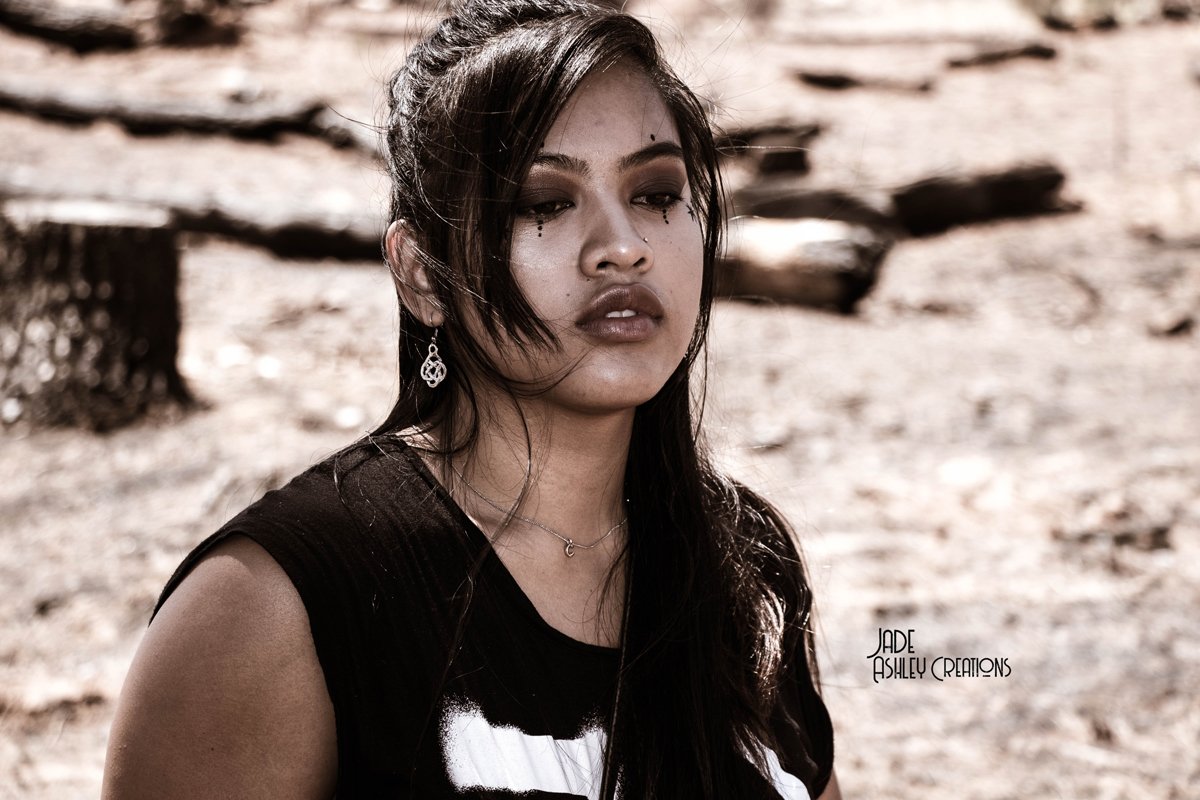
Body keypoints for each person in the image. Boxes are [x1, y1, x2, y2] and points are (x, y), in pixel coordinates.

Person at [101, 0, 840, 797]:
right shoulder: (276, 607)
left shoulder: (739, 562)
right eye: (543, 204)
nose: (622, 245)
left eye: (657, 193)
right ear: (422, 276)